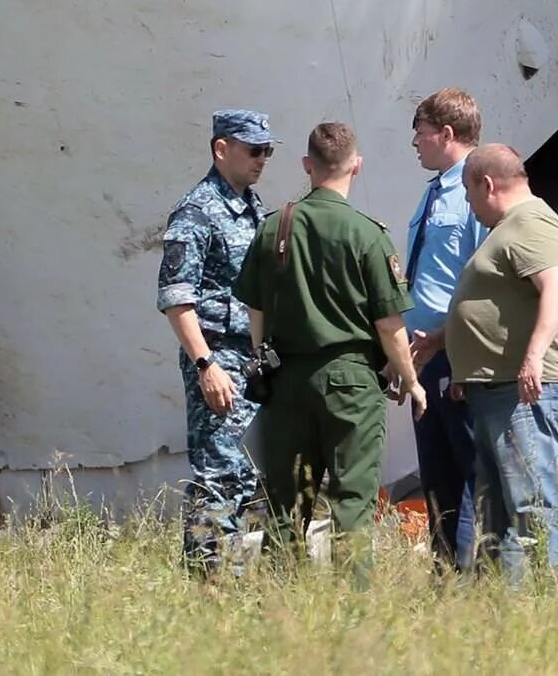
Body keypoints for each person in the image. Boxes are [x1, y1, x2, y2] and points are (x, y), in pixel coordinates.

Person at [233, 122, 425, 575]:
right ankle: (351, 611)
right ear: (356, 166)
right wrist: (410, 380)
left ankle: (281, 606)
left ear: (307, 165)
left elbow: (254, 310)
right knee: (352, 503)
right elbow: (388, 322)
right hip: (351, 382)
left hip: (285, 382)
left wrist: (263, 360)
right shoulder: (367, 234)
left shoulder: (273, 229)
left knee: (285, 504)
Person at [445, 144, 558, 586]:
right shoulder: (513, 227)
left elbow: (557, 289)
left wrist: (533, 358)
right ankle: (510, 606)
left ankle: (548, 604)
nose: (471, 206)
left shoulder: (531, 224)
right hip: (498, 389)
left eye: (470, 196)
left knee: (530, 503)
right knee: (500, 508)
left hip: (521, 392)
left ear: (488, 185)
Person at [157, 108, 275, 574]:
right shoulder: (198, 210)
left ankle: (243, 578)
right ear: (221, 148)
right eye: (253, 149)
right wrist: (205, 365)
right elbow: (176, 298)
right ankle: (209, 583)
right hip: (219, 359)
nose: (262, 159)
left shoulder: (252, 205)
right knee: (220, 474)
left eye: (267, 150)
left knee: (251, 478)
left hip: (251, 362)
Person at [396, 88, 489, 569]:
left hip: (458, 353)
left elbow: (485, 277)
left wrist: (443, 339)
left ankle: (479, 577)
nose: (415, 143)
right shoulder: (433, 192)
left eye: (421, 134)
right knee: (436, 474)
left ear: (446, 134)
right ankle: (447, 573)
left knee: (470, 468)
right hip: (422, 356)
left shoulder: (479, 190)